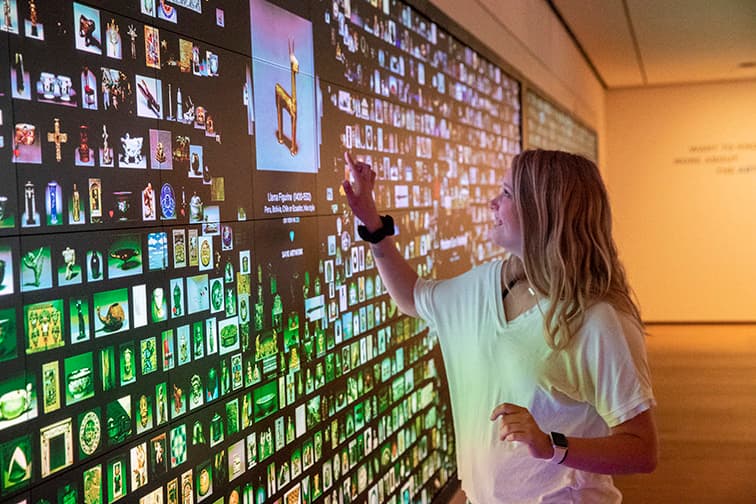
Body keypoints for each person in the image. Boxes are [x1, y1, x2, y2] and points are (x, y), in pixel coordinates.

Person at [342, 149, 657, 503]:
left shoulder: (598, 318)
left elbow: (641, 450)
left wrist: (551, 446)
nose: (493, 203)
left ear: (543, 211)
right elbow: (414, 298)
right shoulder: (490, 283)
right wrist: (373, 227)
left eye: (506, 194)